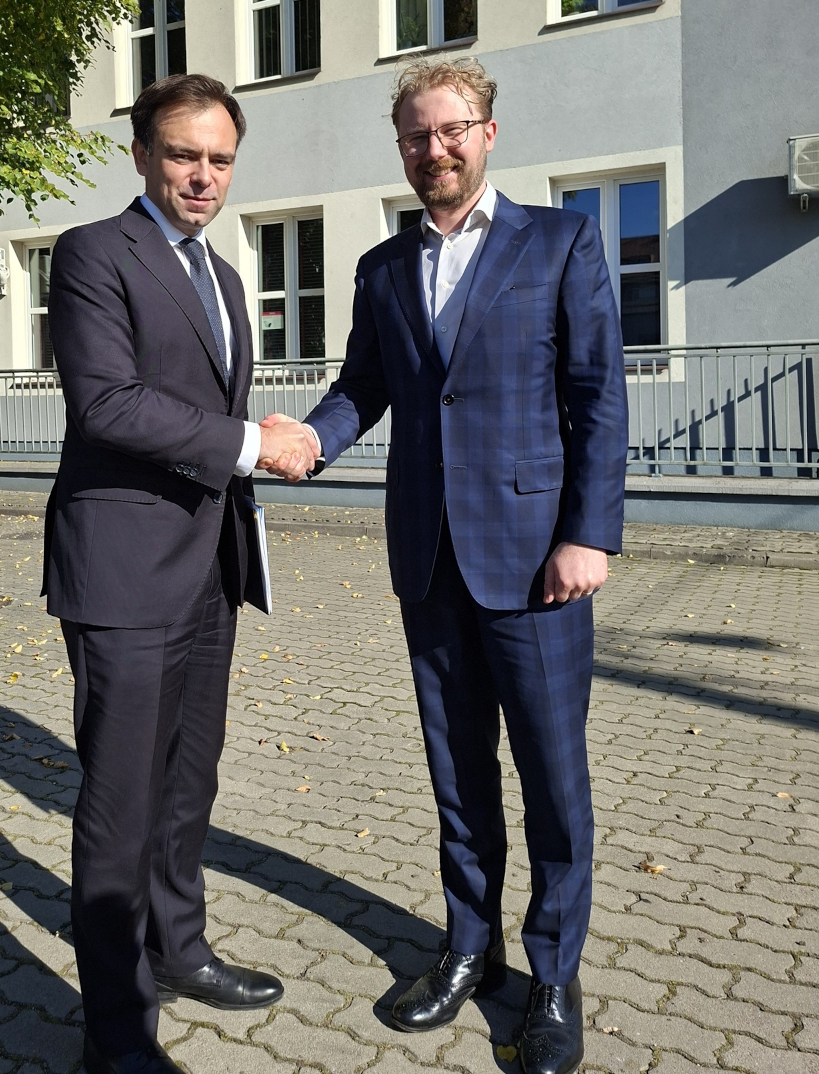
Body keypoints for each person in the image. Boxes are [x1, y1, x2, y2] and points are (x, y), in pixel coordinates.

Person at [266, 58, 628, 1074]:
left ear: (487, 133)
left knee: (551, 777)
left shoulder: (559, 240)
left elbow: (597, 395)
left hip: (537, 561)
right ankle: (471, 945)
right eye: (416, 136)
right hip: (428, 559)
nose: (435, 149)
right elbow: (363, 386)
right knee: (457, 772)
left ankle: (553, 975)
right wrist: (312, 438)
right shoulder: (382, 267)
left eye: (451, 129)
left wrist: (589, 533)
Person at [42, 73, 316, 1074]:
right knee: (120, 805)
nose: (203, 175)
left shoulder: (225, 276)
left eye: (220, 159)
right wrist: (251, 443)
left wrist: (256, 436)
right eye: (183, 154)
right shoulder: (92, 253)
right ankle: (117, 1034)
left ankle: (179, 949)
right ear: (142, 157)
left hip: (208, 567)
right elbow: (107, 403)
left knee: (189, 782)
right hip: (122, 574)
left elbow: (201, 404)